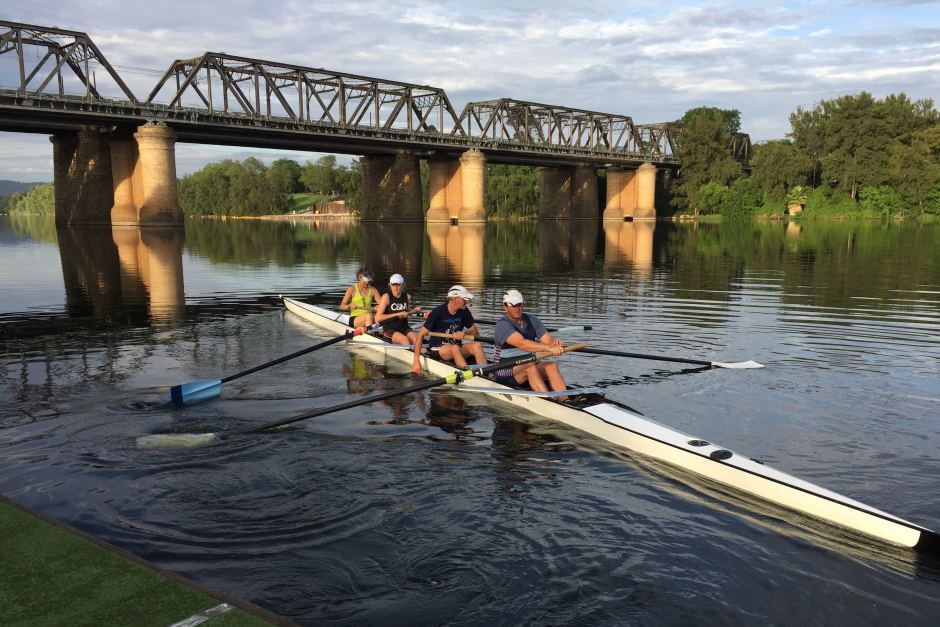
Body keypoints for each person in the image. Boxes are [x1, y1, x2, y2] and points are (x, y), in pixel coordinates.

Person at [491, 289, 567, 395]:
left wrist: (555, 343)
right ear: (505, 307)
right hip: (503, 371)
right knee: (529, 365)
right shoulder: (502, 325)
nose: (517, 308)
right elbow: (522, 343)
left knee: (551, 365)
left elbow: (548, 340)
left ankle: (564, 399)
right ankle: (547, 399)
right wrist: (548, 348)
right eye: (513, 305)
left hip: (528, 365)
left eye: (519, 304)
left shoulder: (532, 320)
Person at [412, 285, 486, 375]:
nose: (467, 302)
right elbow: (420, 335)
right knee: (455, 348)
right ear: (454, 298)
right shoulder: (438, 312)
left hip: (456, 347)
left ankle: (486, 375)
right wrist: (416, 361)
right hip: (438, 349)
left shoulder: (464, 311)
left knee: (477, 345)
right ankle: (468, 376)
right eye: (464, 299)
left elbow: (475, 332)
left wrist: (464, 333)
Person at [375, 273, 421, 346]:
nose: (396, 287)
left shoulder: (407, 297)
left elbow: (404, 309)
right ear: (390, 285)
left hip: (405, 328)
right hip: (390, 329)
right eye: (393, 285)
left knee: (417, 340)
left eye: (398, 285)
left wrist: (415, 310)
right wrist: (398, 314)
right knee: (405, 340)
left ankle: (422, 352)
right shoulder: (386, 297)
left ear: (403, 285)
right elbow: (378, 318)